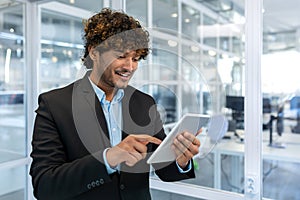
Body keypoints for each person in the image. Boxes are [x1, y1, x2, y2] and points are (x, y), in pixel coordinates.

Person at [30, 8, 201, 200]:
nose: (130, 67)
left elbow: (164, 169)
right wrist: (108, 158)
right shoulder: (55, 105)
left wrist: (180, 159)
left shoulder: (144, 104)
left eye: (135, 59)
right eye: (121, 56)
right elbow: (44, 185)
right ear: (94, 52)